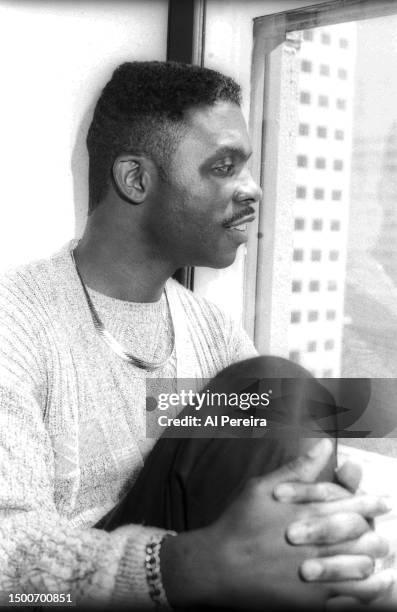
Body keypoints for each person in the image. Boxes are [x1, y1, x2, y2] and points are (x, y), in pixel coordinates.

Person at [0, 61, 393, 610]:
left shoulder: (211, 331)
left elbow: (274, 463)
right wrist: (181, 569)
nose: (253, 190)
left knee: (281, 396)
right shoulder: (14, 323)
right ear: (136, 179)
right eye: (224, 166)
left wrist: (328, 529)